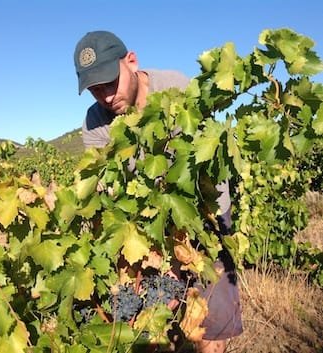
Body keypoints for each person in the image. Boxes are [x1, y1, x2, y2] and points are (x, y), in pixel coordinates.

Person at [73, 30, 242, 353]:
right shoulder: (96, 121)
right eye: (96, 90)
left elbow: (208, 173)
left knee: (209, 326)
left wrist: (197, 241)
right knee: (147, 326)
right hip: (144, 226)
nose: (106, 97)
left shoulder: (178, 90)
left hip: (205, 212)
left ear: (131, 61)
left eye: (110, 83)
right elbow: (110, 192)